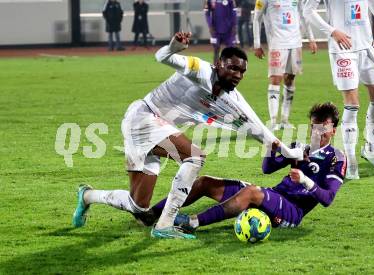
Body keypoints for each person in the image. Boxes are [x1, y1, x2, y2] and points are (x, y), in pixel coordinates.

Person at [72, 31, 304, 239]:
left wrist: (287, 151)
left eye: (242, 71)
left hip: (153, 129)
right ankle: (165, 224)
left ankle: (87, 196)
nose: (237, 75)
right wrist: (174, 45)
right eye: (232, 68)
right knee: (195, 157)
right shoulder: (200, 69)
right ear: (218, 64)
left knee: (138, 206)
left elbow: (259, 130)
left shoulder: (232, 99)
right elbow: (163, 57)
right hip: (143, 117)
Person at [144, 102, 346, 233]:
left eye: (324, 127)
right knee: (206, 182)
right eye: (314, 126)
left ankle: (192, 223)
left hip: (292, 212)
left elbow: (327, 199)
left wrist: (304, 179)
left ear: (333, 130)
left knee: (251, 192)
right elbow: (268, 169)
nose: (318, 131)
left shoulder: (336, 158)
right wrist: (270, 148)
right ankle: (153, 213)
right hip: (272, 196)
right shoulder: (298, 148)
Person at [304, 0, 374, 179]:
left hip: (367, 45)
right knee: (352, 103)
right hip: (343, 49)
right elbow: (307, 11)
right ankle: (351, 164)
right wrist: (332, 31)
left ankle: (371, 150)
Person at [253, 0, 318, 131]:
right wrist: (257, 44)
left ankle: (284, 120)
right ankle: (272, 122)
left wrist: (311, 38)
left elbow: (303, 15)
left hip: (295, 43)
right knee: (275, 79)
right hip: (277, 43)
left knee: (290, 80)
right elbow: (256, 19)